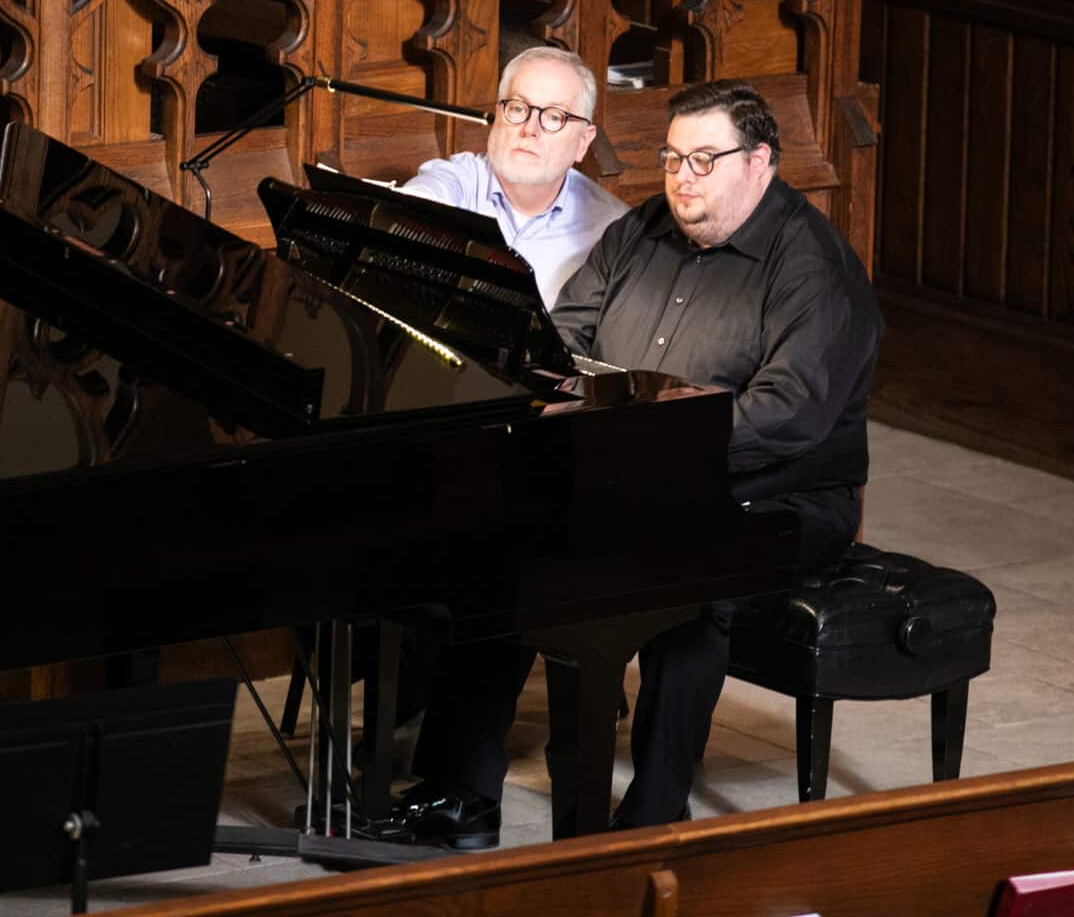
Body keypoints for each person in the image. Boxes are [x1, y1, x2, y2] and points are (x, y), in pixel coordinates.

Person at [370, 78, 881, 848]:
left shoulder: (812, 267)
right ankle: (458, 797)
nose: (682, 178)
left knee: (691, 587)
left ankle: (653, 818)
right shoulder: (643, 229)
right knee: (502, 547)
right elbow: (562, 338)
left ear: (762, 162)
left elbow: (790, 418)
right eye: (673, 158)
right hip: (629, 471)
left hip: (776, 496)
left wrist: (641, 454)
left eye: (705, 161)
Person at [399, 45, 627, 309]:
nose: (530, 129)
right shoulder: (456, 180)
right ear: (498, 116)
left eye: (555, 116)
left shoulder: (612, 230)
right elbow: (413, 206)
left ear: (583, 142)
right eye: (518, 109)